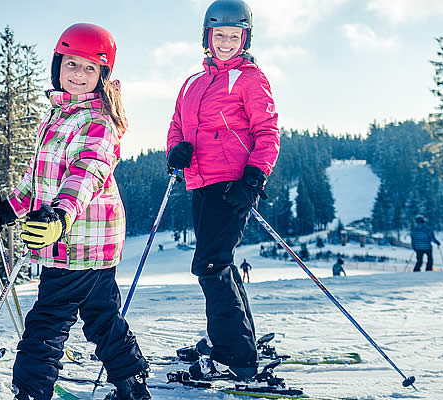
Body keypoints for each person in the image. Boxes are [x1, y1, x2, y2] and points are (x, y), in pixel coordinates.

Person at [0, 23, 150, 400]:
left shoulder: (98, 121)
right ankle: (131, 384)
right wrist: (10, 206)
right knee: (102, 316)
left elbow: (86, 174)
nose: (78, 74)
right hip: (93, 244)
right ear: (57, 65)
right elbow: (38, 177)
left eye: (90, 68)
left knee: (46, 323)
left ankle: (30, 391)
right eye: (72, 64)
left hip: (78, 242)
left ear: (103, 76)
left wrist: (60, 216)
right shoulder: (59, 115)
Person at [164, 0, 280, 382]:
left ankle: (236, 355)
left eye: (235, 36)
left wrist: (253, 179)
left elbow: (267, 132)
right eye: (220, 35)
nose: (227, 42)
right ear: (206, 37)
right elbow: (177, 125)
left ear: (245, 38)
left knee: (210, 265)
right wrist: (175, 150)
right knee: (219, 264)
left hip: (232, 185)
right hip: (200, 183)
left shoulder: (249, 78)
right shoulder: (193, 83)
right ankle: (239, 341)